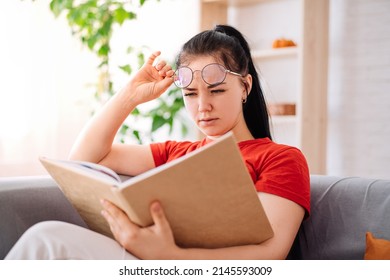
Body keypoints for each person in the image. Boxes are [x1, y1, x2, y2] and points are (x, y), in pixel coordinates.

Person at [5, 25, 310, 260]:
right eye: (190, 94)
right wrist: (130, 95)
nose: (202, 106)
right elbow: (83, 159)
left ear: (245, 87)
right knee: (46, 238)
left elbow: (271, 254)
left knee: (47, 239)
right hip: (148, 261)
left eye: (216, 91)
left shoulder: (281, 158)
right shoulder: (178, 153)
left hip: (181, 265)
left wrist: (170, 257)